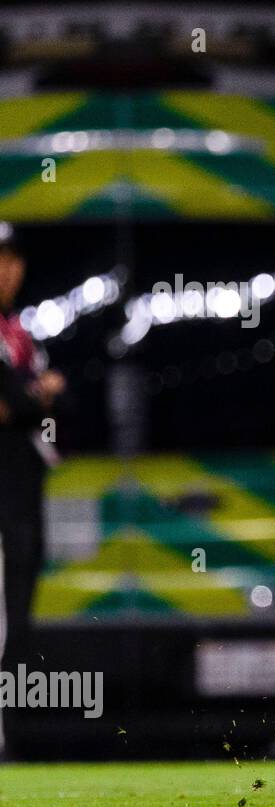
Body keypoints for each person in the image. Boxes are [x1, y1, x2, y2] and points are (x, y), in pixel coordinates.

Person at [0, 223, 64, 758]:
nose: (8, 270)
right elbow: (14, 402)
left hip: (22, 492)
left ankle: (8, 733)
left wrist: (32, 395)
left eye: (13, 259)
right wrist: (34, 395)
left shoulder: (18, 330)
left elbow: (42, 397)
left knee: (15, 620)